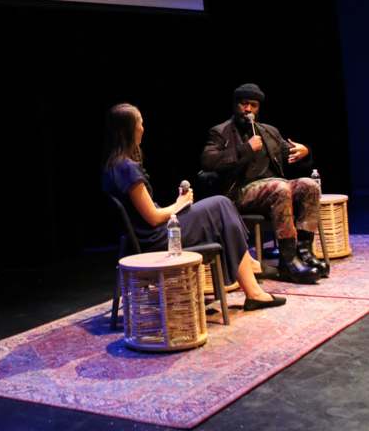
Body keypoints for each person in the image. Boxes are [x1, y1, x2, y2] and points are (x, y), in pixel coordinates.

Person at [102, 103, 286, 311]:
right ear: (130, 129)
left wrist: (179, 206)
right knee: (221, 204)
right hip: (157, 240)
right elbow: (153, 217)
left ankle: (250, 277)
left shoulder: (114, 165)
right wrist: (179, 204)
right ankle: (251, 280)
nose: (143, 128)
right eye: (140, 123)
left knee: (221, 205)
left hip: (153, 234)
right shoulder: (126, 168)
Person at [201, 83, 328, 284]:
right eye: (244, 104)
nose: (248, 110)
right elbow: (208, 162)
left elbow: (289, 153)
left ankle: (304, 252)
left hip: (276, 189)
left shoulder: (268, 131)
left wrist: (305, 152)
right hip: (240, 193)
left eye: (253, 105)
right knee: (280, 187)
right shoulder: (221, 132)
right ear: (235, 105)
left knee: (308, 185)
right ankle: (288, 261)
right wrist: (246, 149)